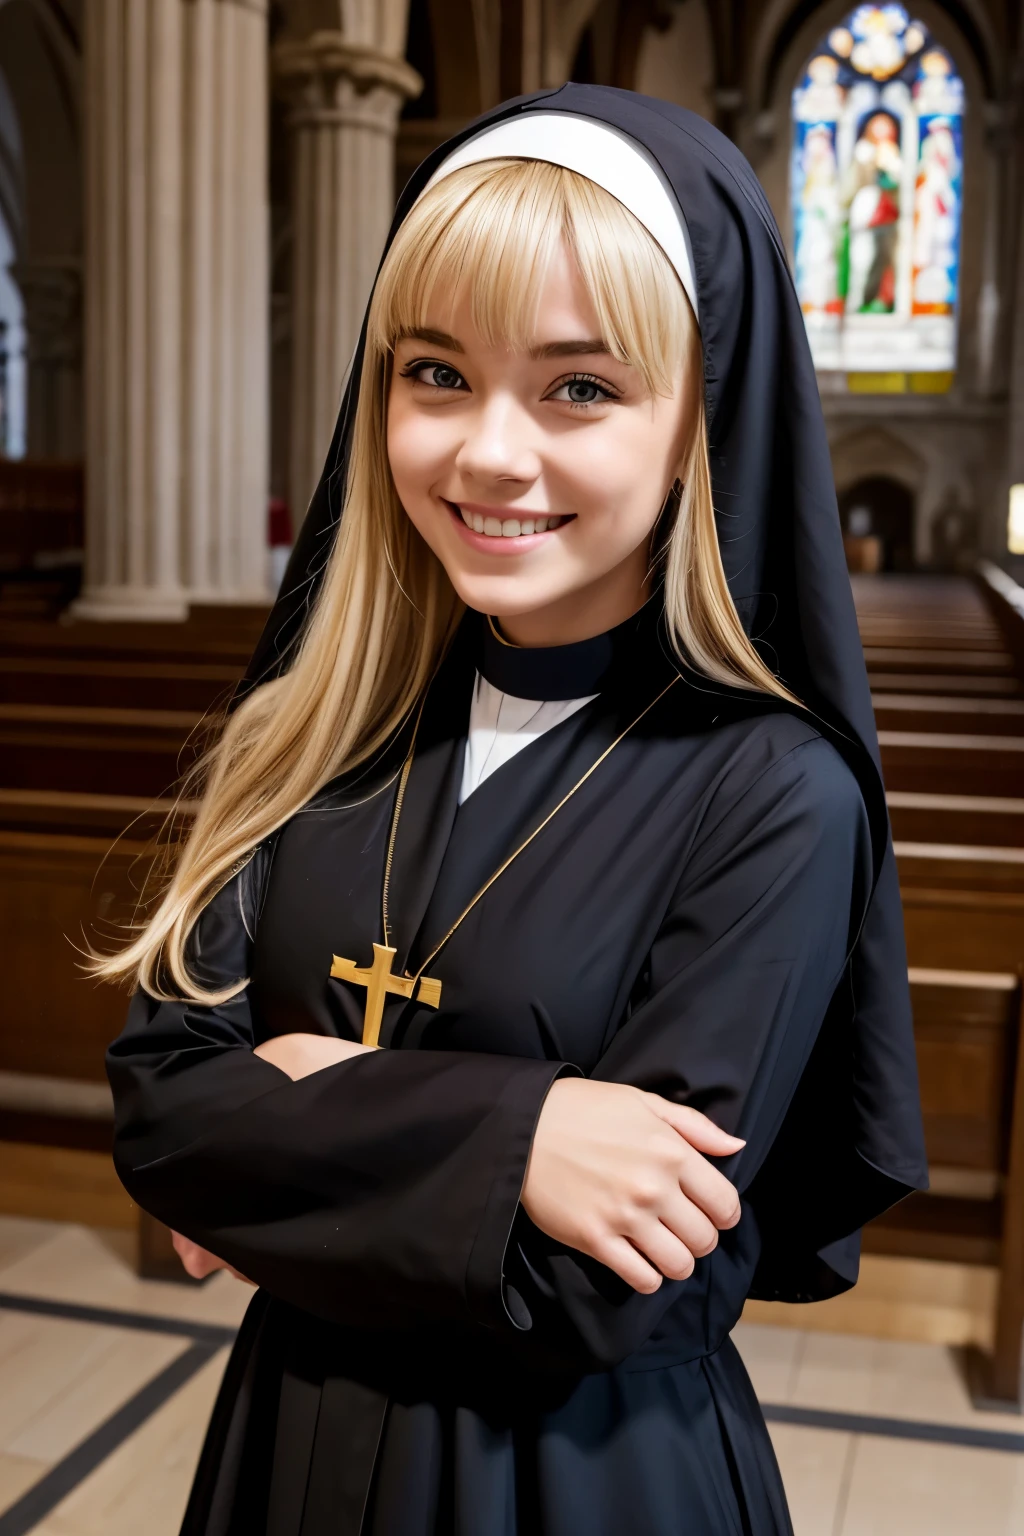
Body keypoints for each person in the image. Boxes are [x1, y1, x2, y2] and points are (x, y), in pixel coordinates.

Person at [101, 87, 927, 1536]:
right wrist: (528, 1141)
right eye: (435, 373)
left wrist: (296, 1096)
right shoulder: (311, 730)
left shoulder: (775, 793)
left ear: (699, 426)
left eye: (579, 387)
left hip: (585, 1477)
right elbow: (162, 1120)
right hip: (288, 1447)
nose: (489, 453)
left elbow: (613, 1285)